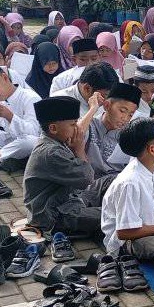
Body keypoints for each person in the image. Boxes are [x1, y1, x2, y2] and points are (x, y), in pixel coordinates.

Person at [101, 118, 154, 263]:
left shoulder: (148, 168)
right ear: (152, 150)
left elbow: (152, 205)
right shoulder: (130, 182)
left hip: (148, 230)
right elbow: (124, 232)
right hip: (127, 243)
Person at [24, 96, 105, 235]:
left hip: (68, 198)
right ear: (53, 128)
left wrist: (93, 108)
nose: (77, 128)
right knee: (113, 216)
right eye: (73, 124)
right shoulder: (51, 152)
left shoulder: (56, 140)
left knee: (108, 181)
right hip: (55, 215)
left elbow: (85, 177)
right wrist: (79, 150)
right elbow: (87, 179)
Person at [0, 60, 41, 169]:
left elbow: (34, 131)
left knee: (30, 142)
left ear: (4, 77)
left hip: (24, 142)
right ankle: (6, 157)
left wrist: (9, 116)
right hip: (8, 143)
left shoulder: (30, 97)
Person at [85, 82, 140, 178]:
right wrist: (93, 109)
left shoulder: (129, 135)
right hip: (86, 180)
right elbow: (76, 136)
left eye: (130, 115)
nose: (125, 118)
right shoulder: (90, 124)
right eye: (122, 111)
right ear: (107, 105)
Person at [52, 62, 119, 118]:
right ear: (87, 88)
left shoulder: (109, 99)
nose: (107, 99)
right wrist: (92, 110)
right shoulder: (59, 102)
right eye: (105, 95)